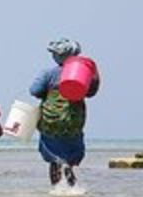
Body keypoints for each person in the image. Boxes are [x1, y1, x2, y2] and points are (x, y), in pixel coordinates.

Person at [30, 38, 100, 187]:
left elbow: (34, 90)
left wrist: (46, 93)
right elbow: (91, 92)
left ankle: (57, 192)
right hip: (73, 121)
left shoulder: (48, 73)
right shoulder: (84, 74)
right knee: (69, 158)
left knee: (54, 159)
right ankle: (71, 188)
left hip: (51, 122)